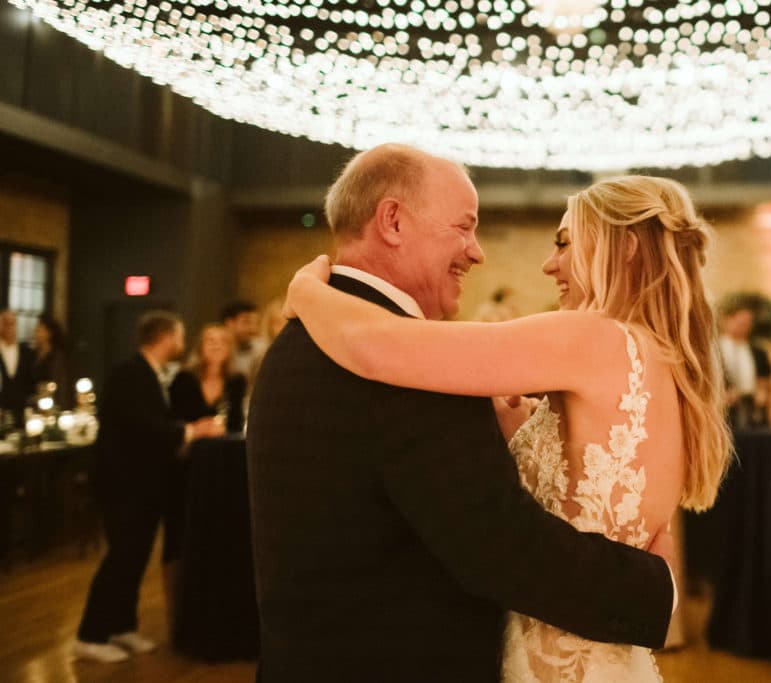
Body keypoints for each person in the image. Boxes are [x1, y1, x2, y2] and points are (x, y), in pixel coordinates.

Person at [248, 145, 705, 682]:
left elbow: (376, 345)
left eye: (564, 242)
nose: (480, 252)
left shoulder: (304, 345)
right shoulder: (657, 356)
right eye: (464, 228)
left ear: (623, 250)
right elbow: (495, 540)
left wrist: (305, 291)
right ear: (392, 221)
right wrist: (658, 589)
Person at [74, 311, 224, 664]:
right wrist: (191, 431)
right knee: (121, 558)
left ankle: (123, 626)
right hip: (123, 486)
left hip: (142, 486)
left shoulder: (149, 375)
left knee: (136, 557)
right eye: (180, 335)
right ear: (165, 337)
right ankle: (90, 634)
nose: (183, 343)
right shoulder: (130, 374)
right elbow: (141, 426)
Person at [164, 324, 246, 630]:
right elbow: (171, 422)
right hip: (184, 468)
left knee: (214, 537)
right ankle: (175, 616)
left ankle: (209, 613)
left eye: (222, 341)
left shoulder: (236, 382)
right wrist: (198, 428)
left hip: (219, 471)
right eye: (209, 340)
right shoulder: (184, 380)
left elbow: (237, 424)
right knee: (177, 539)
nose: (215, 345)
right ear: (200, 346)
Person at [719, 301, 771, 428]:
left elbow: (765, 380)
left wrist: (761, 393)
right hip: (723, 411)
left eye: (747, 323)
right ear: (727, 320)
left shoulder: (758, 352)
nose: (744, 327)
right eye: (740, 322)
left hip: (751, 411)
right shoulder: (715, 349)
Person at [31, 314, 73, 409]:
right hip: (34, 403)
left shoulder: (57, 357)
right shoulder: (32, 355)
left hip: (51, 404)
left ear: (48, 333)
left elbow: (61, 385)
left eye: (39, 330)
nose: (36, 334)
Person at [0, 310, 34, 423]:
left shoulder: (26, 351)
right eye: (6, 323)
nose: (9, 327)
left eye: (12, 323)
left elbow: (31, 381)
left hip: (22, 412)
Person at [220, 300, 266, 383]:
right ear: (229, 323)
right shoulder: (214, 348)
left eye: (256, 323)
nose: (253, 329)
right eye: (247, 322)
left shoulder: (261, 349)